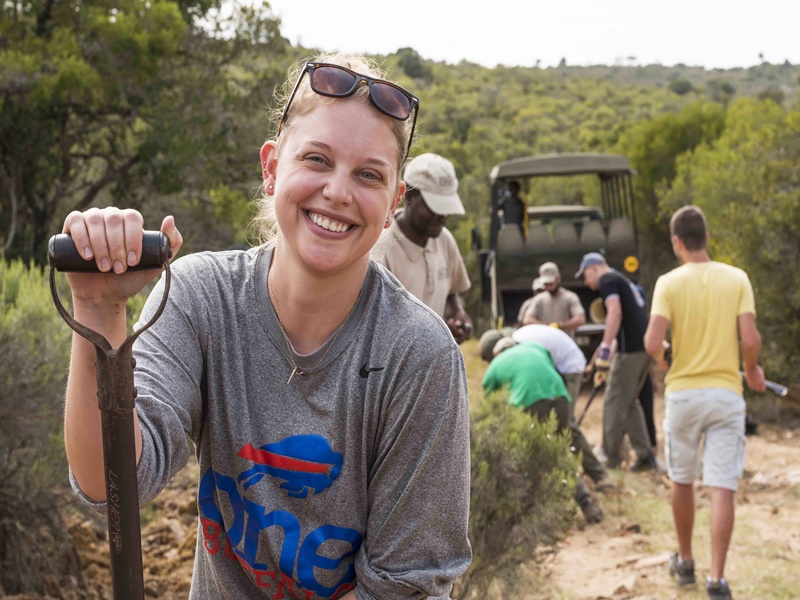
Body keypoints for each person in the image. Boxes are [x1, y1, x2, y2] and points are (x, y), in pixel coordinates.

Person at [60, 54, 472, 599]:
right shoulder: (201, 297)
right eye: (317, 159)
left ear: (394, 203)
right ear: (272, 167)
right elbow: (112, 484)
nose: (339, 192)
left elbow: (405, 586)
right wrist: (96, 313)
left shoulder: (418, 354)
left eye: (368, 174)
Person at [644, 205, 765, 600]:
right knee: (721, 487)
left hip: (683, 394)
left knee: (682, 479)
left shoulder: (668, 283)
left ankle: (685, 561)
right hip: (726, 394)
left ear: (677, 242)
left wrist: (666, 359)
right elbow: (749, 340)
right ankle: (717, 579)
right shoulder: (737, 279)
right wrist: (752, 370)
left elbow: (651, 342)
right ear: (707, 238)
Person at [480, 335, 604, 524]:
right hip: (561, 401)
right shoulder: (536, 349)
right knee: (558, 453)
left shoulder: (494, 367)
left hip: (531, 405)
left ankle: (527, 516)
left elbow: (494, 412)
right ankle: (587, 503)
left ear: (495, 353)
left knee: (523, 457)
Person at [377, 153, 473, 344]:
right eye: (435, 207)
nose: (443, 215)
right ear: (409, 196)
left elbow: (452, 293)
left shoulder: (444, 239)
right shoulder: (381, 248)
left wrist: (458, 315)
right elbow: (379, 324)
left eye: (446, 207)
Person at [576, 252, 656, 471]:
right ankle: (644, 455)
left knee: (613, 401)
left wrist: (603, 350)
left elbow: (615, 312)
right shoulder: (622, 280)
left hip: (630, 351)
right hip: (642, 349)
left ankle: (609, 458)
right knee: (630, 402)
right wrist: (600, 357)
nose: (586, 282)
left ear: (593, 268)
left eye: (585, 276)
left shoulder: (607, 280)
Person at [511, 324, 614, 491]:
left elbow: (542, 368)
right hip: (560, 365)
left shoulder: (523, 345)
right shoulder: (521, 337)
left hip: (570, 367)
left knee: (567, 424)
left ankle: (599, 476)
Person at [519, 262, 586, 338]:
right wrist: (546, 327)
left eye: (551, 284)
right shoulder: (539, 299)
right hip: (545, 342)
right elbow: (527, 319)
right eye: (546, 284)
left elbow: (580, 319)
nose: (548, 287)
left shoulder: (569, 297)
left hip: (564, 341)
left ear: (558, 279)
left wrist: (560, 325)